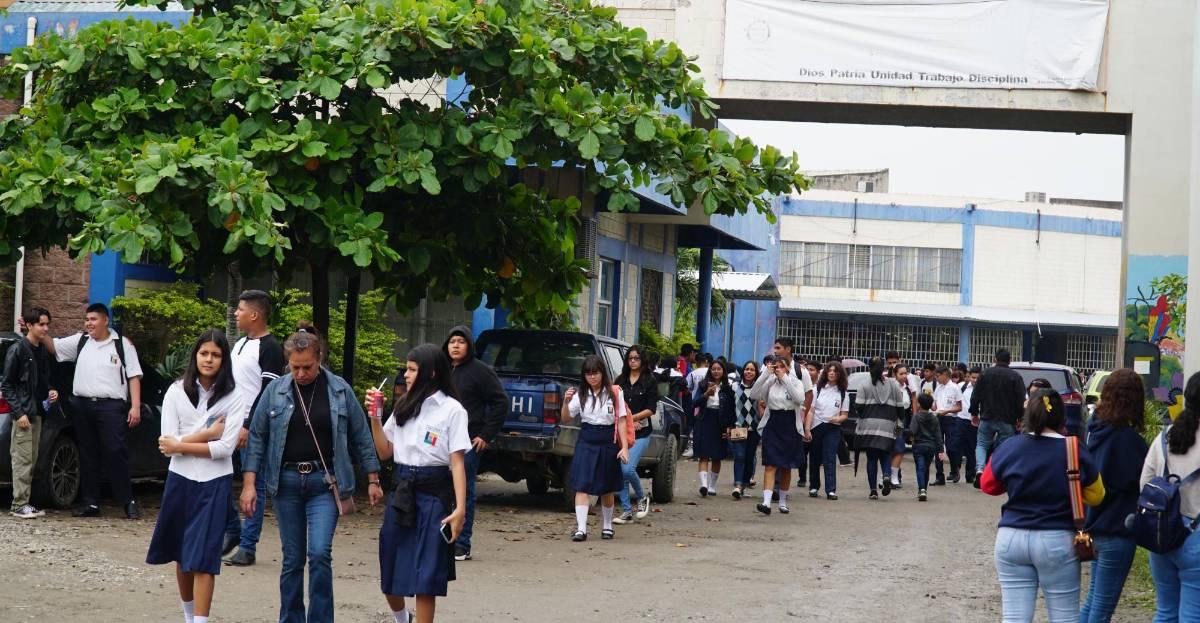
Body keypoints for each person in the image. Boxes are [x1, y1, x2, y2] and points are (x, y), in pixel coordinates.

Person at [240, 322, 383, 623]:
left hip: (324, 482)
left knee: (319, 554)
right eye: (295, 368)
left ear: (319, 359)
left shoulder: (339, 389)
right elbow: (257, 438)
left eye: (307, 367)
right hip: (286, 482)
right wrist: (249, 484)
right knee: (292, 559)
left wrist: (373, 478)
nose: (301, 374)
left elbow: (360, 435)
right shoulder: (275, 391)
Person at [980, 388, 1105, 623]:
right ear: (1062, 417)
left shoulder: (1010, 446)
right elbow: (1097, 496)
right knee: (1064, 617)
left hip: (1011, 539)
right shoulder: (1073, 448)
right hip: (1056, 540)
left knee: (1014, 618)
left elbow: (988, 485)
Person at [146, 330, 244, 623]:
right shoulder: (176, 391)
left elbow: (225, 448)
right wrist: (207, 434)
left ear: (224, 360)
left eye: (216, 355)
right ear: (195, 356)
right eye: (204, 353)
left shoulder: (234, 395)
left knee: (204, 559)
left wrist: (181, 445)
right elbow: (166, 444)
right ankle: (189, 617)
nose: (209, 359)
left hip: (215, 482)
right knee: (181, 554)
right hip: (180, 479)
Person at [366, 344, 469, 623]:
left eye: (412, 370)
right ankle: (403, 619)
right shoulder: (404, 405)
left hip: (434, 494)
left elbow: (457, 462)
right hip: (402, 491)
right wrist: (375, 418)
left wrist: (460, 509)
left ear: (431, 373)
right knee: (390, 570)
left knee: (427, 576)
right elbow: (385, 451)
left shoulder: (452, 410)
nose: (406, 375)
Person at [47, 302, 145, 519]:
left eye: (93, 319)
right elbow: (53, 346)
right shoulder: (81, 341)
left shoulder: (122, 345)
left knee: (114, 450)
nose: (88, 323)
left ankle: (127, 501)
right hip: (82, 405)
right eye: (87, 319)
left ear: (105, 320)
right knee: (87, 453)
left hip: (111, 406)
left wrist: (135, 407)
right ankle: (91, 503)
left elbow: (133, 376)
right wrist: (34, 328)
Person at [1079, 369, 1148, 623]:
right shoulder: (1128, 441)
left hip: (1095, 526)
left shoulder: (1094, 430)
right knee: (1102, 608)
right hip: (1118, 528)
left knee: (1093, 601)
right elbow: (1143, 482)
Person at [224, 290, 286, 567]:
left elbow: (267, 390)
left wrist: (249, 425)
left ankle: (248, 545)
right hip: (230, 421)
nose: (236, 314)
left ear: (254, 314)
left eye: (240, 309)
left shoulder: (270, 348)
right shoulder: (239, 344)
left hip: (254, 426)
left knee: (254, 484)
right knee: (220, 477)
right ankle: (233, 530)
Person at [440, 326, 507, 562]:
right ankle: (442, 540)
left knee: (463, 493)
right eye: (452, 342)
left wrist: (485, 435)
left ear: (469, 345)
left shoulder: (480, 371)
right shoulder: (442, 370)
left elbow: (500, 402)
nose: (456, 346)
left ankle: (461, 544)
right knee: (441, 491)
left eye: (461, 341)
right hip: (440, 441)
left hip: (467, 442)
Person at [1140, 372, 1200, 623]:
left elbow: (1144, 484)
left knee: (1165, 612)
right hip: (1195, 539)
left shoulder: (1164, 437)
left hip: (1161, 533)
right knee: (1192, 615)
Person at [560, 355, 631, 541]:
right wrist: (566, 402)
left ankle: (607, 526)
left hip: (608, 440)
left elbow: (621, 420)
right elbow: (566, 418)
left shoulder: (614, 392)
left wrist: (624, 447)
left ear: (602, 373)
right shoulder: (580, 395)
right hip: (587, 439)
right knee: (581, 485)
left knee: (607, 487)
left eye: (595, 373)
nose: (592, 377)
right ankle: (581, 529)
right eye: (588, 374)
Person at [3, 307, 58, 519]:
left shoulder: (41, 351)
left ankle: (24, 502)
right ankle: (19, 504)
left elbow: (42, 381)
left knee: (31, 459)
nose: (45, 328)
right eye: (41, 324)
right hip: (24, 414)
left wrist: (50, 390)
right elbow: (7, 385)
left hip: (36, 413)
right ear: (29, 325)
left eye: (47, 324)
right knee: (22, 460)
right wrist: (19, 413)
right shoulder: (18, 349)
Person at [748, 354, 807, 515]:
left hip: (790, 424)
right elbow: (754, 394)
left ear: (788, 368)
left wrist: (785, 379)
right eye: (776, 367)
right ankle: (766, 502)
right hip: (773, 422)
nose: (778, 370)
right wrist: (766, 374)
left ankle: (782, 501)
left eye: (782, 366)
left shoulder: (795, 382)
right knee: (770, 463)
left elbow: (799, 399)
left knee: (786, 466)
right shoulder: (770, 382)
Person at [613, 346, 659, 522]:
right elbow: (613, 403)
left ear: (642, 360)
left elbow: (651, 409)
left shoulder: (649, 381)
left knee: (627, 469)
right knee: (621, 472)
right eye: (630, 358)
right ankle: (626, 511)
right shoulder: (620, 380)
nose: (633, 361)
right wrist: (626, 421)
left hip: (641, 432)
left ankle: (641, 497)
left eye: (636, 358)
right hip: (622, 431)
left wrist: (633, 418)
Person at [852, 357, 907, 500]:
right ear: (884, 368)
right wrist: (900, 421)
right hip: (888, 426)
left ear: (869, 368)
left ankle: (873, 491)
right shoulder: (893, 385)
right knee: (886, 454)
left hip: (868, 426)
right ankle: (887, 476)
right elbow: (900, 408)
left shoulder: (864, 385)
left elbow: (858, 407)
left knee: (871, 458)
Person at [971, 348, 1026, 488]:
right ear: (1010, 361)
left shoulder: (985, 374)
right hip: (1007, 420)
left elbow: (975, 395)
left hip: (987, 417)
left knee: (982, 444)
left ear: (995, 359)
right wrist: (1020, 418)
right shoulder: (1015, 377)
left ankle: (980, 470)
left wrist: (974, 413)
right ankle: (997, 474)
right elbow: (1020, 400)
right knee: (1004, 448)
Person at [772, 338, 814, 488]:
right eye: (775, 348)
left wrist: (802, 416)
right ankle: (774, 487)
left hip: (792, 418)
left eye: (778, 348)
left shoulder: (800, 371)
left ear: (788, 349)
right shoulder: (770, 368)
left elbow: (809, 394)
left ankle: (781, 488)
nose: (775, 351)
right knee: (773, 454)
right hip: (774, 418)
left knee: (786, 455)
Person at [804, 361, 849, 500]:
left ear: (840, 374)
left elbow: (844, 414)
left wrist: (837, 419)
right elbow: (811, 410)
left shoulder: (843, 393)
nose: (832, 373)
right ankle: (814, 487)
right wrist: (807, 429)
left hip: (833, 428)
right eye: (829, 371)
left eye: (835, 371)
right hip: (816, 426)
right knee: (814, 457)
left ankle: (831, 490)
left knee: (830, 458)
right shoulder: (817, 389)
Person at [694, 359, 735, 498]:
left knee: (717, 456)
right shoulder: (703, 385)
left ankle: (712, 486)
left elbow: (731, 409)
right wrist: (706, 394)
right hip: (705, 420)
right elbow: (694, 403)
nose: (716, 371)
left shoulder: (728, 388)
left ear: (723, 371)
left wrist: (729, 426)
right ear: (710, 371)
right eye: (713, 369)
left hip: (720, 421)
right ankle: (703, 485)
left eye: (719, 369)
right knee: (703, 454)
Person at [730, 360, 763, 499]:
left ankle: (743, 484)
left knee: (750, 458)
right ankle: (737, 485)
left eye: (752, 370)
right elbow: (730, 407)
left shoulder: (759, 388)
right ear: (743, 371)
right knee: (739, 456)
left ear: (756, 373)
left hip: (754, 429)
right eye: (747, 369)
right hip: (739, 427)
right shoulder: (734, 386)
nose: (749, 372)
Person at [932, 366, 967, 484]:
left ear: (945, 375)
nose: (937, 378)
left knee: (951, 447)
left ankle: (954, 469)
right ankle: (939, 475)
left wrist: (947, 411)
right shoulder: (938, 388)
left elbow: (959, 407)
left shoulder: (955, 388)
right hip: (938, 418)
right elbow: (935, 405)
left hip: (950, 419)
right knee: (938, 447)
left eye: (938, 376)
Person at [908, 393, 945, 502]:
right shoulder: (934, 418)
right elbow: (938, 435)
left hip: (918, 446)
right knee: (926, 468)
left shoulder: (916, 417)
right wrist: (941, 450)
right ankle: (924, 490)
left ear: (919, 404)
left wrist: (907, 437)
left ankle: (922, 489)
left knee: (920, 467)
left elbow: (912, 431)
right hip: (931, 447)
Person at [887, 363, 915, 489]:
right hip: (891, 420)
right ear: (895, 374)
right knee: (889, 448)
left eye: (906, 373)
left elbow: (910, 404)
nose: (904, 376)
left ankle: (894, 477)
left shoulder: (907, 388)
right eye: (901, 374)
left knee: (900, 448)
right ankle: (885, 476)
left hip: (902, 421)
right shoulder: (890, 386)